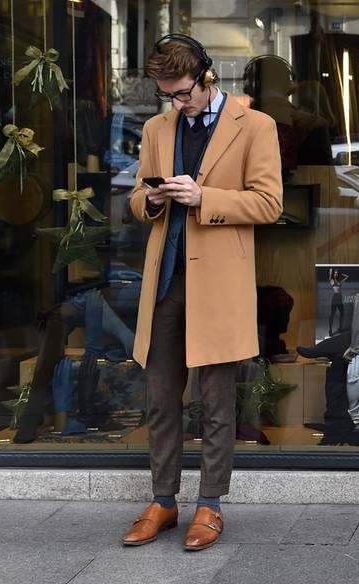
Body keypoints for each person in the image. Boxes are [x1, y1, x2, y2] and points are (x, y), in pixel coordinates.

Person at [121, 34, 282, 551]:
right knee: (162, 400)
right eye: (167, 95)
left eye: (183, 93)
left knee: (216, 403)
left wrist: (202, 197)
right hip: (166, 281)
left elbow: (268, 203)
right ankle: (163, 501)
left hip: (219, 284)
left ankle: (209, 505)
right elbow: (135, 199)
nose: (176, 103)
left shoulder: (256, 126)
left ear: (207, 78)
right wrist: (150, 200)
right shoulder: (155, 128)